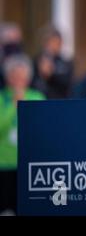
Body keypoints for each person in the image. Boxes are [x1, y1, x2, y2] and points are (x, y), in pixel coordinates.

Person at [0, 54, 45, 215]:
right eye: (15, 76)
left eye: (23, 77)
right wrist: (13, 104)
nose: (19, 81)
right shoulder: (1, 98)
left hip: (29, 165)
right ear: (8, 78)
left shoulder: (36, 97)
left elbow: (42, 128)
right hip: (4, 165)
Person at [32, 26, 73, 99]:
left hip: (58, 102)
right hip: (38, 101)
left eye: (58, 43)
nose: (56, 46)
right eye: (53, 42)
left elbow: (67, 84)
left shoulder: (65, 63)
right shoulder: (35, 61)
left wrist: (51, 75)